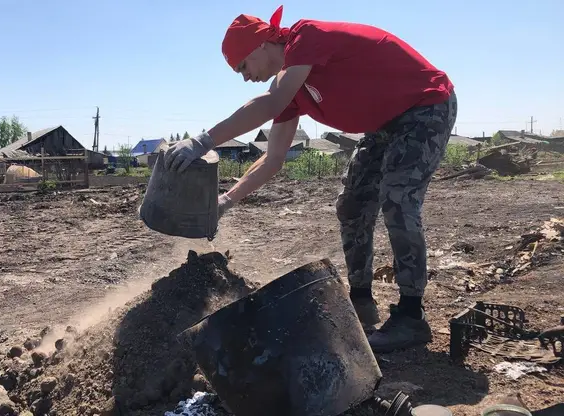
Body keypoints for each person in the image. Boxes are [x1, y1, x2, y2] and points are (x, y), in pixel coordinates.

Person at [163, 5, 457, 353]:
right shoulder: (291, 87)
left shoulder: (306, 37)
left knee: (397, 197)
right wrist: (226, 201)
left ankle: (411, 316)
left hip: (425, 106)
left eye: (243, 66)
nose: (244, 77)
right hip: (383, 126)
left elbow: (270, 104)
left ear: (259, 46)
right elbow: (272, 160)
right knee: (352, 206)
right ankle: (361, 300)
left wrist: (203, 141)